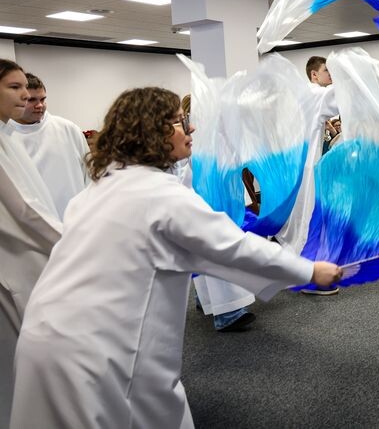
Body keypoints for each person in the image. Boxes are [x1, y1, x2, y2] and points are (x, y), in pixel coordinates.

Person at [10, 87, 342, 428]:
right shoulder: (161, 196)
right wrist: (309, 270)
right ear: (153, 132)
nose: (191, 127)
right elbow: (235, 248)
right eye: (180, 122)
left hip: (43, 338)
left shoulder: (96, 190)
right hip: (99, 353)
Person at [279, 50, 379, 296]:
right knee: (309, 222)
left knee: (308, 221)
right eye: (326, 71)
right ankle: (309, 278)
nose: (331, 75)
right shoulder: (314, 94)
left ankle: (302, 272)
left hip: (296, 170)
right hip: (305, 171)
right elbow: (348, 90)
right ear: (314, 75)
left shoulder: (300, 96)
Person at [0, 60, 61, 428]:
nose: (25, 95)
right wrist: (74, 243)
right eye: (14, 87)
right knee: (14, 362)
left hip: (26, 255)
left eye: (27, 87)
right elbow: (23, 209)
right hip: (12, 263)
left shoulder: (6, 135)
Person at [179, 94, 258, 332]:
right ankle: (228, 312)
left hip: (219, 199)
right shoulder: (193, 138)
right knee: (218, 251)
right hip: (204, 200)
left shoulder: (216, 133)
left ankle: (207, 300)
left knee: (210, 251)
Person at [9, 73, 89, 220]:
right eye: (31, 100)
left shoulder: (68, 129)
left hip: (77, 220)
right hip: (31, 223)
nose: (39, 105)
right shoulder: (6, 135)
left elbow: (89, 175)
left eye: (43, 99)